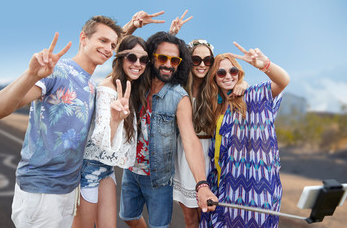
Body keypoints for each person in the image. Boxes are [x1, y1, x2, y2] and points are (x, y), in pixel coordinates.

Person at [0, 16, 122, 228]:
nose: (108, 48)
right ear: (83, 38)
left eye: (112, 45)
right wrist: (31, 74)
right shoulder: (58, 71)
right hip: (41, 190)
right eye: (103, 41)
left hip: (68, 189)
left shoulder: (91, 86)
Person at [118, 30, 218, 228]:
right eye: (162, 58)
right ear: (151, 58)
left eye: (175, 61)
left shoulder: (178, 96)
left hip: (159, 177)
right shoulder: (136, 85)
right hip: (130, 170)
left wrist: (202, 184)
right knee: (128, 216)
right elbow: (120, 52)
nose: (168, 64)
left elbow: (190, 140)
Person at [199, 42, 290, 227]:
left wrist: (265, 65)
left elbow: (283, 81)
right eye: (221, 73)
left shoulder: (253, 96)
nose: (228, 76)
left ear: (239, 73)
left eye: (233, 71)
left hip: (254, 192)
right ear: (214, 78)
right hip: (221, 186)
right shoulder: (214, 108)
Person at [168, 22, 247, 227]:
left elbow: (235, 83)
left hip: (211, 155)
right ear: (188, 60)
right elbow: (158, 67)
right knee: (190, 218)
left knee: (211, 214)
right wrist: (171, 35)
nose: (201, 64)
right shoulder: (177, 88)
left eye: (207, 60)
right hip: (185, 154)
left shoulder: (215, 89)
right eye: (196, 59)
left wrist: (243, 83)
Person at [72, 35, 151, 228]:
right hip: (88, 168)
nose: (138, 64)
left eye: (143, 59)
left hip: (106, 169)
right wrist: (115, 120)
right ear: (121, 59)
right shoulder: (108, 88)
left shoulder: (131, 87)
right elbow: (100, 138)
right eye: (132, 57)